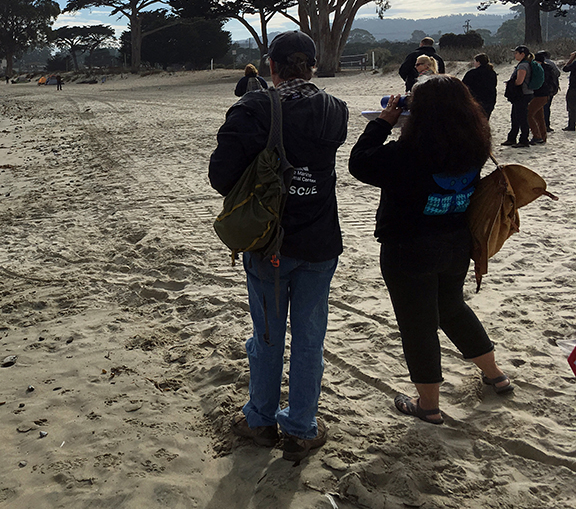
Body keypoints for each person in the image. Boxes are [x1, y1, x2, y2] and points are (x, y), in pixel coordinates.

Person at [209, 31, 348, 463]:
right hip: (321, 238)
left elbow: (220, 176)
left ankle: (260, 419)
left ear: (271, 65)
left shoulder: (253, 109)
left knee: (267, 335)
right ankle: (302, 427)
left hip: (270, 239)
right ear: (311, 64)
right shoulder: (335, 110)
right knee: (310, 338)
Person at [349, 75, 513, 426]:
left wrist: (383, 122)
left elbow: (359, 163)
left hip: (407, 247)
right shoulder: (476, 145)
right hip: (456, 243)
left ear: (419, 113)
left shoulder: (406, 153)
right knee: (452, 308)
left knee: (417, 324)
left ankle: (428, 405)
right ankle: (495, 374)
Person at [503, 46, 535, 148]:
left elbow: (519, 81)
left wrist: (511, 84)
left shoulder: (523, 66)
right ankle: (512, 138)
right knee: (515, 116)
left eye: (516, 53)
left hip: (522, 94)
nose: (514, 55)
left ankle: (523, 140)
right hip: (525, 94)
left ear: (522, 54)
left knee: (521, 118)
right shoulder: (526, 64)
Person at [461, 53, 497, 118]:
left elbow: (463, 86)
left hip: (476, 100)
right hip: (490, 100)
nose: (474, 63)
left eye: (475, 61)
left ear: (478, 62)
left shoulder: (472, 73)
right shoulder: (492, 72)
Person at [528, 52, 552, 144]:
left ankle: (537, 136)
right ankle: (543, 136)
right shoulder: (548, 68)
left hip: (540, 95)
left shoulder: (539, 69)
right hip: (546, 94)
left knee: (529, 114)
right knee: (539, 117)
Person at [535, 51, 561, 133]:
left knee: (539, 108)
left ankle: (540, 126)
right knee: (547, 107)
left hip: (542, 90)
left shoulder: (539, 65)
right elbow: (558, 73)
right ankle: (547, 125)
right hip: (552, 89)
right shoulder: (551, 64)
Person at [564, 51, 576, 131]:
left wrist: (571, 59)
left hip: (574, 88)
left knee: (572, 107)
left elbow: (565, 69)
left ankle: (571, 125)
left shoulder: (575, 63)